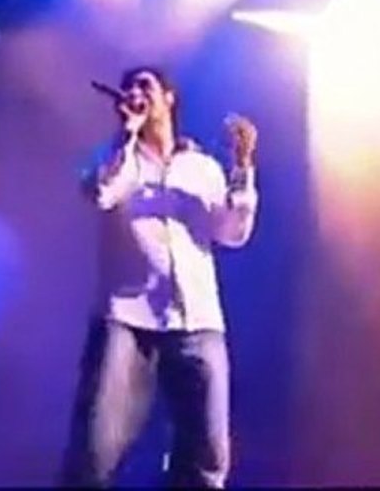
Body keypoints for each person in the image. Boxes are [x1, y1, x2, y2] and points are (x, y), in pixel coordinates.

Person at [59, 66, 259, 488]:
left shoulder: (202, 168)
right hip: (126, 320)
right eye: (129, 87)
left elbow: (232, 233)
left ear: (169, 98)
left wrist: (242, 168)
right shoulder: (114, 155)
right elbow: (102, 192)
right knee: (96, 450)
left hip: (197, 320)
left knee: (207, 454)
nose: (136, 92)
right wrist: (126, 135)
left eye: (145, 85)